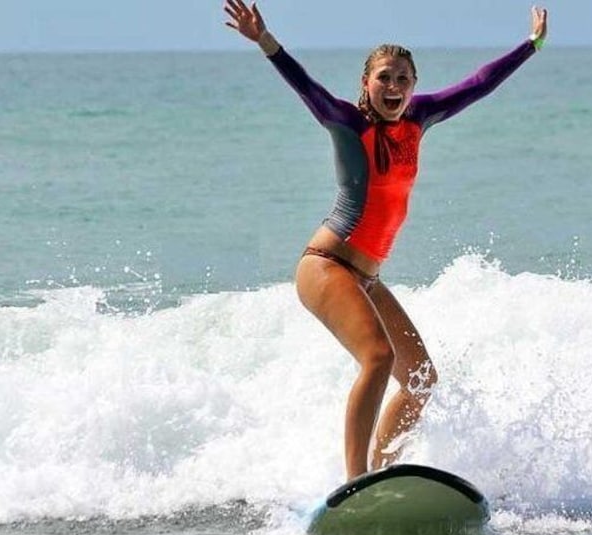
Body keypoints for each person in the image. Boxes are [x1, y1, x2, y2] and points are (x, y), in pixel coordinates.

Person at [224, 0, 548, 480]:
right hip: (325, 264)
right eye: (384, 77)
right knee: (378, 358)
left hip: (367, 278)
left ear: (413, 86)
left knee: (419, 380)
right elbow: (305, 87)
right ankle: (355, 483)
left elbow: (478, 84)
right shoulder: (346, 121)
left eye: (402, 79)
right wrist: (267, 42)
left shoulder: (420, 118)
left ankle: (382, 473)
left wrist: (531, 46)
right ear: (366, 83)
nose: (393, 87)